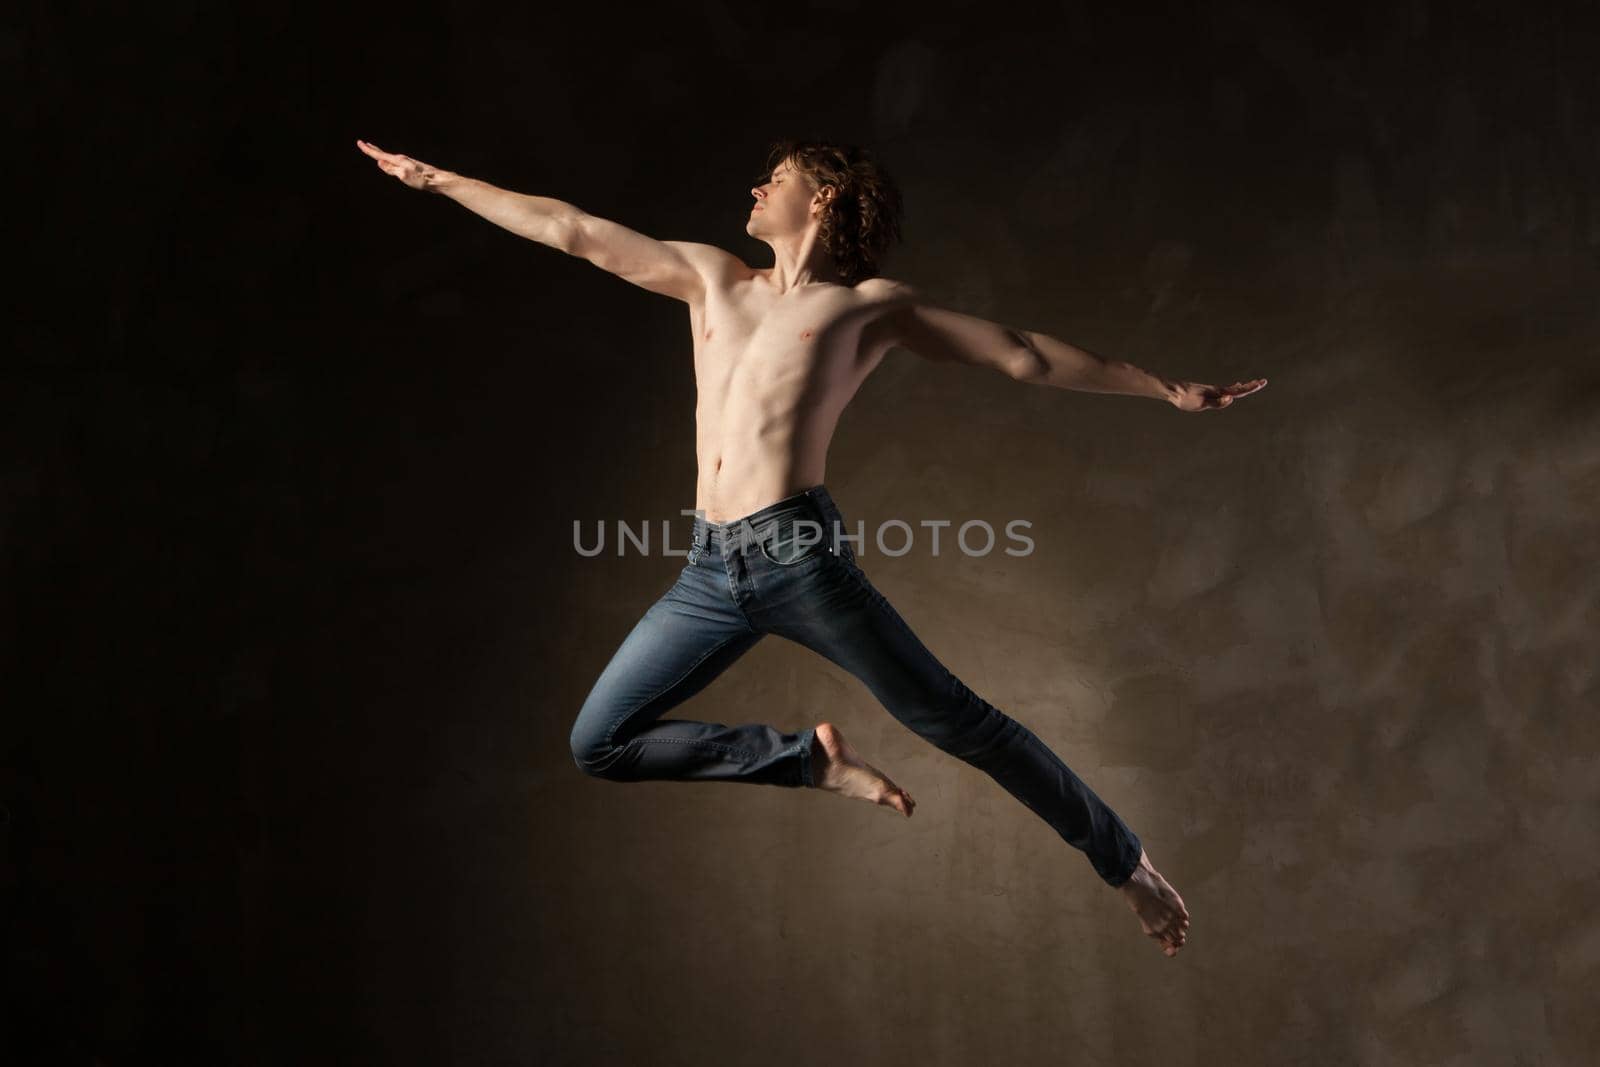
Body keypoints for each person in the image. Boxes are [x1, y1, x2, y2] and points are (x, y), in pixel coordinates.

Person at [357, 135, 1267, 957]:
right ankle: (808, 762)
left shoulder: (868, 308)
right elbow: (571, 229)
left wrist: (1164, 388)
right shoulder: (712, 277)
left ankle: (1129, 865)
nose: (754, 187)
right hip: (709, 571)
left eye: (776, 178)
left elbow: (1022, 353)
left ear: (823, 197)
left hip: (797, 558)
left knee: (958, 721)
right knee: (599, 740)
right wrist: (438, 181)